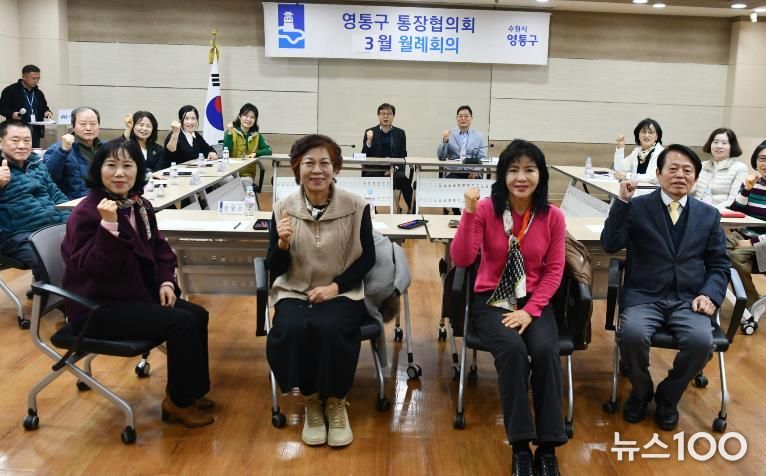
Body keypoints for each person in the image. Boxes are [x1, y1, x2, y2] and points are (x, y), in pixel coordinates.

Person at [60, 138, 214, 428]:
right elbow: (95, 271)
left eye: (128, 165)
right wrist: (108, 226)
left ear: (138, 170)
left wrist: (165, 281)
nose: (120, 173)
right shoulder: (88, 213)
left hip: (133, 295)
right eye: (111, 165)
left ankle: (191, 391)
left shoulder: (138, 205)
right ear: (98, 170)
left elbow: (160, 249)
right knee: (181, 322)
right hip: (97, 307)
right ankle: (178, 403)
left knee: (197, 314)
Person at [451, 140, 566, 476]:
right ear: (502, 175)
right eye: (513, 170)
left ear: (541, 176)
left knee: (545, 350)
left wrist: (531, 310)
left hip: (534, 301)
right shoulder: (486, 209)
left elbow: (554, 271)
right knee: (513, 350)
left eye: (529, 170)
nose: (521, 177)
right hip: (493, 300)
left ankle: (548, 448)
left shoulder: (552, 216)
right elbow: (462, 259)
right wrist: (468, 212)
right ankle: (520, 447)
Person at [601, 144, 730, 432]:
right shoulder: (637, 207)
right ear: (658, 174)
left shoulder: (708, 215)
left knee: (701, 342)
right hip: (644, 295)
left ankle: (668, 397)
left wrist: (709, 294)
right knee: (632, 335)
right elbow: (610, 244)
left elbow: (720, 264)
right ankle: (641, 391)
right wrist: (621, 202)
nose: (680, 175)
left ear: (696, 178)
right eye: (673, 169)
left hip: (689, 299)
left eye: (687, 171)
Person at [266, 134, 375, 448]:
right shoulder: (283, 208)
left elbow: (368, 258)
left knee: (331, 327)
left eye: (324, 163)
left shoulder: (356, 206)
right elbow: (274, 265)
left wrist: (335, 287)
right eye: (308, 163)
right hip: (294, 289)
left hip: (340, 290)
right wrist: (282, 243)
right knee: (291, 328)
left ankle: (336, 401)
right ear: (297, 168)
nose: (317, 170)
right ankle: (312, 400)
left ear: (335, 168)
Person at [0, 120, 69, 280]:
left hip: (52, 224)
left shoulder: (36, 163)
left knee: (89, 241)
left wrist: (69, 221)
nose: (22, 145)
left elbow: (57, 196)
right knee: (52, 259)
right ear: (1, 142)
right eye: (15, 140)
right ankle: (49, 291)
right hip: (17, 235)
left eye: (27, 140)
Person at [727, 140, 766, 309]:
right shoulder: (751, 182)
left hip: (762, 240)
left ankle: (749, 303)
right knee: (714, 248)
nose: (765, 163)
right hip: (743, 235)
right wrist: (746, 190)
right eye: (762, 158)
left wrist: (752, 242)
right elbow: (736, 212)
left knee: (735, 257)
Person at [361, 102, 413, 212]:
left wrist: (395, 168)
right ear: (378, 116)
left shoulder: (400, 133)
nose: (385, 116)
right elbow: (364, 155)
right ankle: (371, 211)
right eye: (382, 113)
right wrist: (369, 141)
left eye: (389, 113)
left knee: (404, 180)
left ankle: (412, 209)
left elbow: (403, 155)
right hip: (375, 169)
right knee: (370, 179)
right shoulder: (370, 132)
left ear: (393, 116)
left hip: (393, 169)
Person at [43, 106, 102, 199]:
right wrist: (63, 151)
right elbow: (48, 178)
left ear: (99, 125)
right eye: (83, 124)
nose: (88, 128)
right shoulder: (58, 148)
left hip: (104, 200)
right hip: (72, 202)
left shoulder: (105, 148)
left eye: (93, 124)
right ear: (73, 126)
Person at [0, 65, 53, 148]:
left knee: (34, 153)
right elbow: (2, 108)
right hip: (17, 130)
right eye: (33, 78)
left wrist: (47, 112)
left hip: (35, 130)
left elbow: (44, 107)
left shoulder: (38, 93)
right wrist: (12, 114)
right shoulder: (10, 90)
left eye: (38, 78)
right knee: (18, 152)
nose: (36, 81)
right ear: (24, 77)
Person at [693, 128, 747, 208]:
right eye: (715, 142)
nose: (719, 146)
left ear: (732, 146)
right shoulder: (701, 165)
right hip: (695, 209)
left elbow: (733, 200)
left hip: (720, 211)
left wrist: (712, 211)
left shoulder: (740, 168)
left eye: (724, 143)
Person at [223, 103, 272, 189]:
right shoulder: (231, 131)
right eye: (246, 116)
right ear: (239, 117)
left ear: (255, 120)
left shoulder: (256, 135)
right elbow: (226, 150)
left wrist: (255, 154)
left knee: (244, 185)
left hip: (247, 174)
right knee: (229, 182)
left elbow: (269, 150)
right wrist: (229, 133)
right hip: (230, 172)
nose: (248, 119)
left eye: (252, 117)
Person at [437, 105, 487, 175]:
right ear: (457, 118)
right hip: (453, 171)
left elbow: (482, 158)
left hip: (472, 171)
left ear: (471, 118)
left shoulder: (479, 136)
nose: (463, 118)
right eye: (460, 116)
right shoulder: (449, 134)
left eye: (466, 116)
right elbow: (441, 156)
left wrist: (476, 171)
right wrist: (445, 140)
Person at [613, 118, 665, 183]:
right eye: (644, 132)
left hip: (653, 189)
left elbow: (654, 178)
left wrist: (628, 176)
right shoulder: (637, 151)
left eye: (651, 132)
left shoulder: (661, 153)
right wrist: (620, 147)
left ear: (657, 136)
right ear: (638, 135)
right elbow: (619, 168)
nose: (646, 135)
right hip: (635, 188)